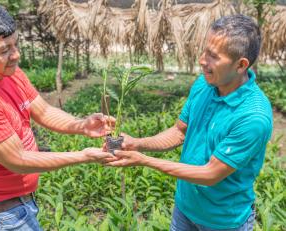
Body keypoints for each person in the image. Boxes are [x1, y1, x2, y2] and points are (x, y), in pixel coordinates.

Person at [0, 4, 114, 231]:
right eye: (4, 50)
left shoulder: (8, 73)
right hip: (3, 213)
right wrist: (84, 155)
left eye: (16, 44)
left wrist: (82, 125)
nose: (15, 55)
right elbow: (19, 160)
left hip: (17, 204)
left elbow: (43, 111)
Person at [106, 14, 273, 231]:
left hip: (223, 221)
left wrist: (144, 160)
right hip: (185, 210)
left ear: (241, 65)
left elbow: (210, 174)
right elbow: (179, 132)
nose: (202, 60)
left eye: (213, 56)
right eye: (204, 51)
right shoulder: (205, 84)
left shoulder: (253, 116)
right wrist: (137, 143)